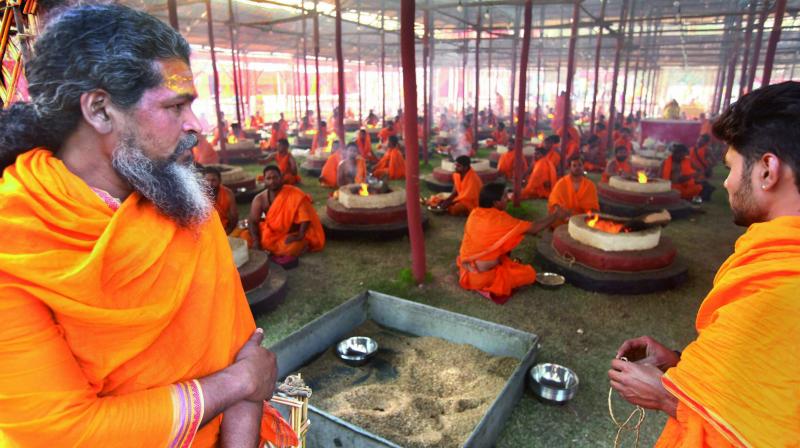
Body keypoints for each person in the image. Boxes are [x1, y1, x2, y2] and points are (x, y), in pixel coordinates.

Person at [0, 5, 296, 447]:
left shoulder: (185, 204)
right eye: (175, 106)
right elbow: (63, 432)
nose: (196, 125)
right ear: (100, 110)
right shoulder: (16, 238)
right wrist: (235, 384)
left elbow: (242, 351)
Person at [609, 81, 800, 447]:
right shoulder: (774, 264)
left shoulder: (777, 295)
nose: (727, 183)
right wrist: (678, 362)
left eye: (730, 167)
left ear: (767, 171)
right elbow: (757, 382)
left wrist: (668, 397)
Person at [458, 183, 565, 303]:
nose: (508, 199)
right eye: (504, 197)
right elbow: (534, 228)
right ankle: (493, 281)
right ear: (495, 202)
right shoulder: (499, 220)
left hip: (467, 268)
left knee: (508, 251)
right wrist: (555, 215)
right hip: (482, 277)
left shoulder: (475, 213)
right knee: (529, 274)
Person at [248, 165, 325, 262]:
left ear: (281, 178)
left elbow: (305, 218)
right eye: (269, 178)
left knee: (291, 247)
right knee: (246, 237)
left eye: (275, 177)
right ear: (264, 180)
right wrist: (256, 241)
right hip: (271, 233)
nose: (272, 181)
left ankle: (302, 245)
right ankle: (268, 247)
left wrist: (300, 235)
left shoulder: (295, 194)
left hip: (290, 234)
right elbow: (252, 221)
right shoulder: (259, 199)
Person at [548, 155, 599, 227]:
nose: (577, 167)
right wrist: (560, 210)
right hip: (564, 217)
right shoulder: (562, 182)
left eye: (580, 165)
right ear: (570, 168)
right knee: (557, 213)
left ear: (583, 167)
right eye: (574, 166)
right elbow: (554, 199)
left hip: (581, 218)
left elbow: (593, 206)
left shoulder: (590, 185)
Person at [204, 166, 238, 234]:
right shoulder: (199, 195)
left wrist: (227, 231)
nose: (210, 184)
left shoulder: (228, 193)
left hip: (225, 229)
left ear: (219, 180)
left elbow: (234, 217)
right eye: (207, 180)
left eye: (213, 180)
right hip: (205, 231)